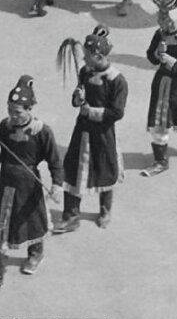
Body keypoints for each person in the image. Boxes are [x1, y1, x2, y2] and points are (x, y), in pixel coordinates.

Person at [0, 76, 64, 294]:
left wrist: (57, 185)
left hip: (30, 185)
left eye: (18, 111)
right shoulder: (5, 126)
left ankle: (36, 252)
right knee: (1, 228)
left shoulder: (42, 131)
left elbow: (54, 161)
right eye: (10, 110)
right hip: (7, 185)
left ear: (29, 109)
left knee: (33, 221)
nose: (13, 115)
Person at [54, 26, 128, 233]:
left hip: (103, 134)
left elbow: (117, 112)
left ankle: (105, 210)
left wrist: (91, 111)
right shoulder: (85, 71)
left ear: (98, 56)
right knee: (71, 168)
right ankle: (71, 215)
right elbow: (76, 99)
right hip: (82, 131)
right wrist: (77, 99)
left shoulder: (117, 80)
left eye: (87, 56)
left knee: (105, 169)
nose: (84, 59)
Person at [140, 9, 177, 176]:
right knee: (158, 123)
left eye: (167, 18)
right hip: (161, 85)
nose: (163, 22)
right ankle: (160, 161)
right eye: (161, 18)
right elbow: (151, 58)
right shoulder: (159, 34)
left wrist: (173, 63)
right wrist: (157, 53)